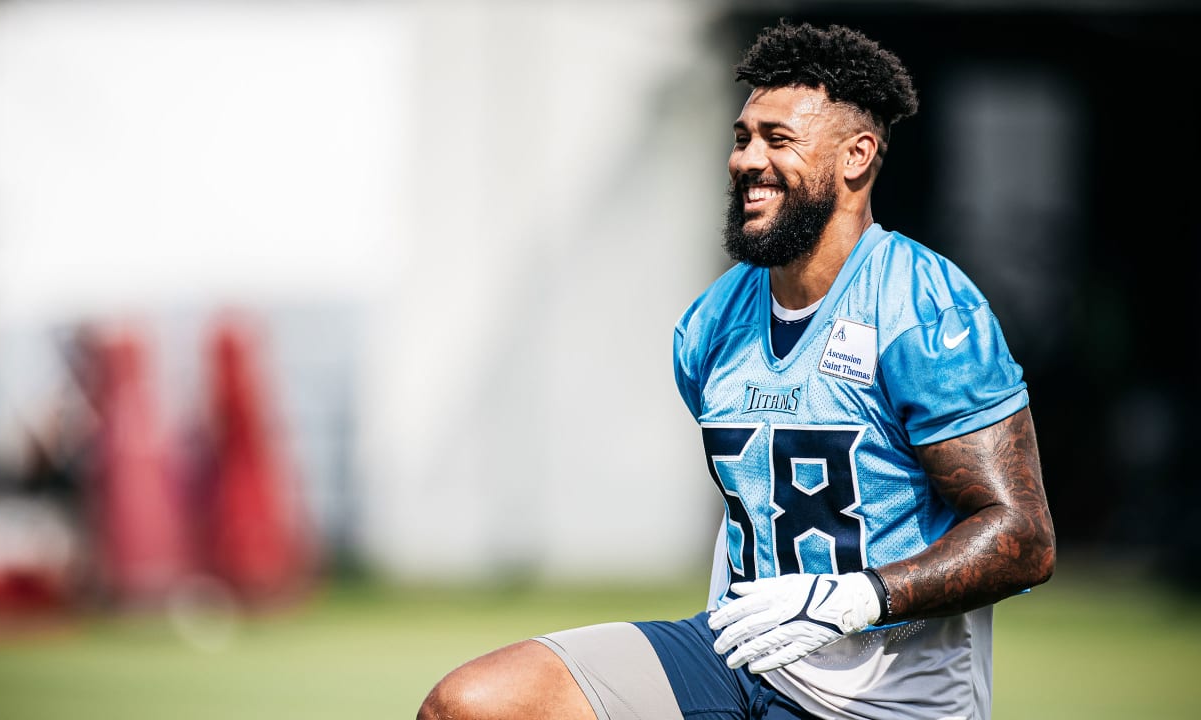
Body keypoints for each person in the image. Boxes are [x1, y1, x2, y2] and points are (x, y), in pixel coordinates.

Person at [417, 18, 1055, 720]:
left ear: (856, 156)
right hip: (740, 656)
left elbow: (1023, 538)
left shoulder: (923, 310)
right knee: (471, 705)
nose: (747, 160)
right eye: (742, 137)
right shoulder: (712, 323)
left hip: (883, 697)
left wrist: (855, 597)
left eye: (778, 140)